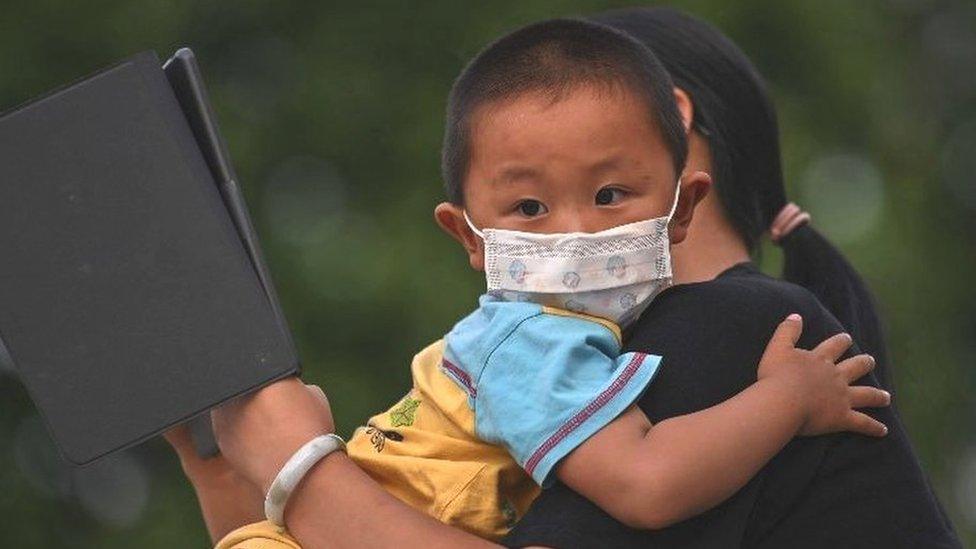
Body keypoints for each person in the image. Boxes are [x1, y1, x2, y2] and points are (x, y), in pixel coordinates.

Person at [166, 9, 960, 549]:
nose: (570, 231)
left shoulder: (740, 329)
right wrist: (231, 476)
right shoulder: (579, 354)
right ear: (465, 227)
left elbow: (646, 482)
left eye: (606, 191)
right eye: (527, 203)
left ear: (674, 127)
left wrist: (298, 468)